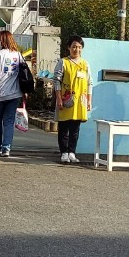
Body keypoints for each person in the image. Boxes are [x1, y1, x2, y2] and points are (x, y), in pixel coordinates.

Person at [52, 36, 91, 164]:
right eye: (74, 46)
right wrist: (59, 98)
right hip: (65, 99)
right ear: (69, 47)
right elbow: (56, 81)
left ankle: (72, 153)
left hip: (80, 101)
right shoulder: (63, 62)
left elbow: (89, 83)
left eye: (79, 47)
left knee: (75, 129)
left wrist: (89, 100)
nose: (76, 49)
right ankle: (64, 153)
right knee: (64, 127)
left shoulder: (85, 64)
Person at [0, 29, 24, 158]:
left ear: (2, 40)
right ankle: (6, 148)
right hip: (15, 93)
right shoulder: (18, 55)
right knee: (9, 121)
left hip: (0, 93)